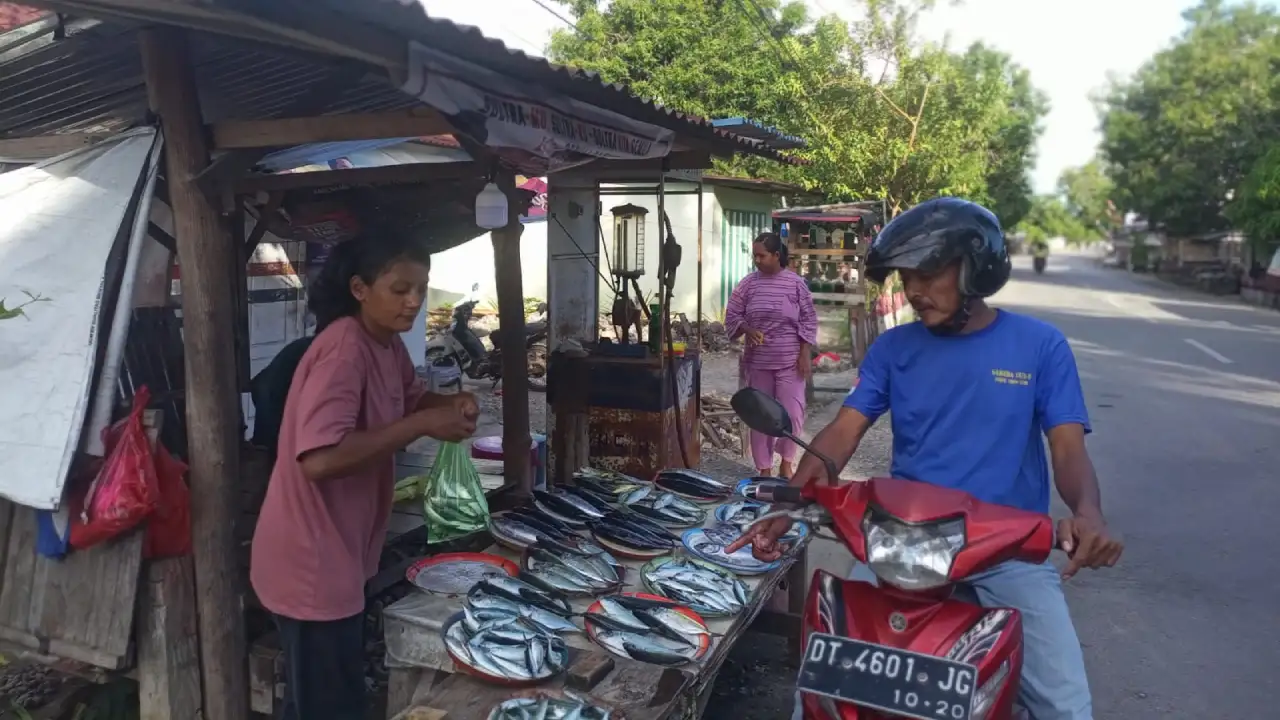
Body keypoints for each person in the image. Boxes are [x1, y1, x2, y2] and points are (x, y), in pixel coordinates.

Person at [729, 198, 1123, 720]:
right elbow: (845, 430)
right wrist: (795, 503)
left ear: (975, 268)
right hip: (903, 544)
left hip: (1006, 549)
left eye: (930, 272)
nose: (914, 289)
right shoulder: (894, 349)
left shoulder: (1040, 347)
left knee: (1064, 705)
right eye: (906, 275)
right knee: (820, 687)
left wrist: (1088, 516)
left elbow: (1068, 448)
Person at [250, 234, 480, 720]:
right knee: (329, 705)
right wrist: (420, 425)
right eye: (400, 289)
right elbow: (319, 459)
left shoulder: (384, 344)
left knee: (321, 698)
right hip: (311, 562)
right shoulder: (343, 352)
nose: (414, 302)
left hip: (339, 552)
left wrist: (448, 406)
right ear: (359, 288)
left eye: (421, 288)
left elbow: (410, 396)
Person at [724, 231, 817, 478]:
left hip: (790, 362)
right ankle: (764, 469)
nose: (757, 260)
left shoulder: (796, 284)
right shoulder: (747, 284)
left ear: (777, 255)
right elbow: (732, 316)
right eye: (754, 256)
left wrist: (805, 353)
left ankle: (787, 463)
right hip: (758, 362)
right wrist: (747, 329)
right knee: (761, 417)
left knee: (793, 414)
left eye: (761, 255)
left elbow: (808, 319)